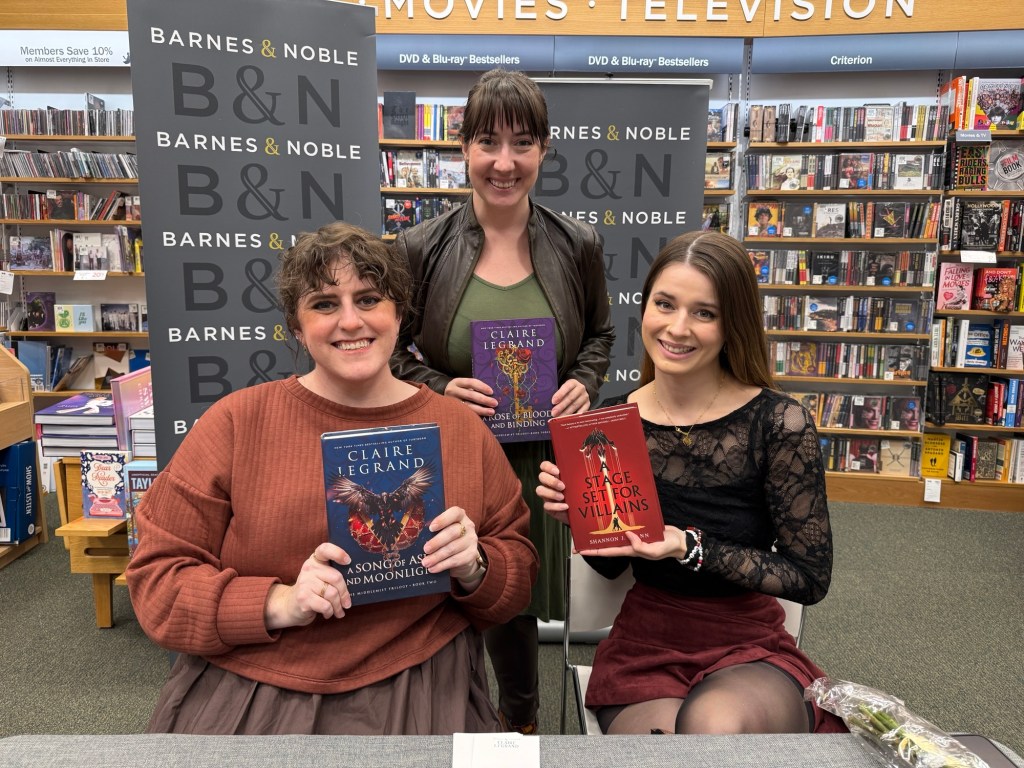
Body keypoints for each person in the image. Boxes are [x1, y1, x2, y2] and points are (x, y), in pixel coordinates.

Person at [126, 222, 538, 735]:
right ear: (296, 328)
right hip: (257, 676)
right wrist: (278, 602)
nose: (351, 321)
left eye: (369, 299)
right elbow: (156, 582)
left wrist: (475, 567)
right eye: (324, 304)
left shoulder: (459, 428)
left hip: (419, 677)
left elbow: (516, 577)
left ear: (398, 314)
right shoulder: (236, 422)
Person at [537, 230, 846, 735]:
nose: (677, 328)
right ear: (646, 308)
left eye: (704, 312)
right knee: (668, 755)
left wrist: (689, 547)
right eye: (665, 304)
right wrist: (579, 518)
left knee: (713, 731)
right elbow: (611, 568)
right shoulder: (611, 421)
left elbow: (808, 578)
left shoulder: (778, 423)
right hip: (646, 644)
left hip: (746, 641)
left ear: (732, 324)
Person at [390, 68, 615, 734]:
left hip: (540, 464)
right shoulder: (420, 248)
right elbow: (390, 353)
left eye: (522, 143)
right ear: (463, 149)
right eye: (487, 142)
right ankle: (448, 731)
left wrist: (586, 381)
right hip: (456, 454)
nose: (504, 162)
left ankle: (519, 736)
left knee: (514, 619)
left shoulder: (578, 244)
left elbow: (599, 334)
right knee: (449, 609)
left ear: (544, 150)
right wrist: (437, 387)